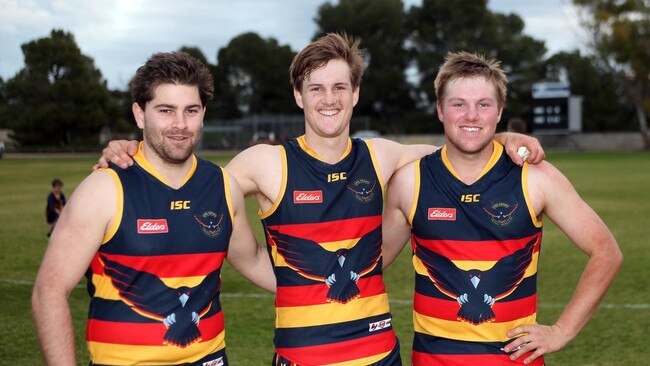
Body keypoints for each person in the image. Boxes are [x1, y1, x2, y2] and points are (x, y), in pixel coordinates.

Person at [97, 33, 545, 365]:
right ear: (298, 96)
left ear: (355, 94)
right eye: (316, 88)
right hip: (301, 357)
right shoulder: (265, 163)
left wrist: (505, 135)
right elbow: (193, 195)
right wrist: (128, 151)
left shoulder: (384, 156)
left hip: (379, 355)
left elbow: (462, 145)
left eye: (338, 88)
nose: (328, 99)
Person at [32, 51, 275, 366]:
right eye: (165, 110)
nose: (180, 124)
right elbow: (48, 292)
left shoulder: (222, 186)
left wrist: (330, 279)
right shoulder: (104, 189)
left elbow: (253, 259)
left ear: (203, 113)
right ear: (139, 114)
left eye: (191, 110)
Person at [382, 51, 622, 365]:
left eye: (483, 104)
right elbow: (370, 264)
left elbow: (606, 251)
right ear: (440, 110)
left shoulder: (535, 177)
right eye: (459, 104)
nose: (471, 116)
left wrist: (562, 331)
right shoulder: (410, 182)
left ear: (499, 112)